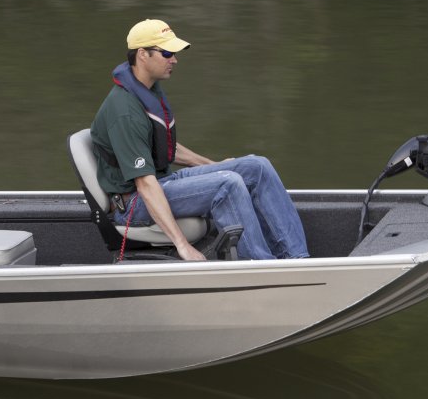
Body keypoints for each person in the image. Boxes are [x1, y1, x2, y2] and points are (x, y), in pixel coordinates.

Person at [90, 19, 309, 262]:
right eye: (166, 53)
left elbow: (166, 147)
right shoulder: (125, 112)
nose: (174, 59)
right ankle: (262, 270)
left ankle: (297, 260)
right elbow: (145, 185)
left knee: (257, 166)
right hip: (134, 204)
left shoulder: (147, 88)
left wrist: (212, 166)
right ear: (143, 55)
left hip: (163, 181)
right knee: (228, 185)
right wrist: (182, 246)